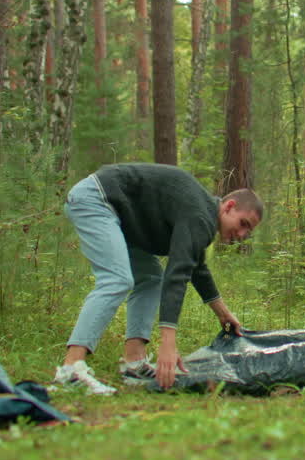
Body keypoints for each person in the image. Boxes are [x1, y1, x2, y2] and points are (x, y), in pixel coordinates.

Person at [52, 163, 264, 393]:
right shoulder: (200, 215)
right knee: (117, 279)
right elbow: (178, 273)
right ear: (229, 206)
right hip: (98, 200)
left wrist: (223, 313)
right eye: (243, 224)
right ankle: (71, 370)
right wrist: (168, 343)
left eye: (248, 231)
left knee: (151, 278)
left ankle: (134, 363)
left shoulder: (202, 215)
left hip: (121, 218)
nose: (242, 235)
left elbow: (196, 267)